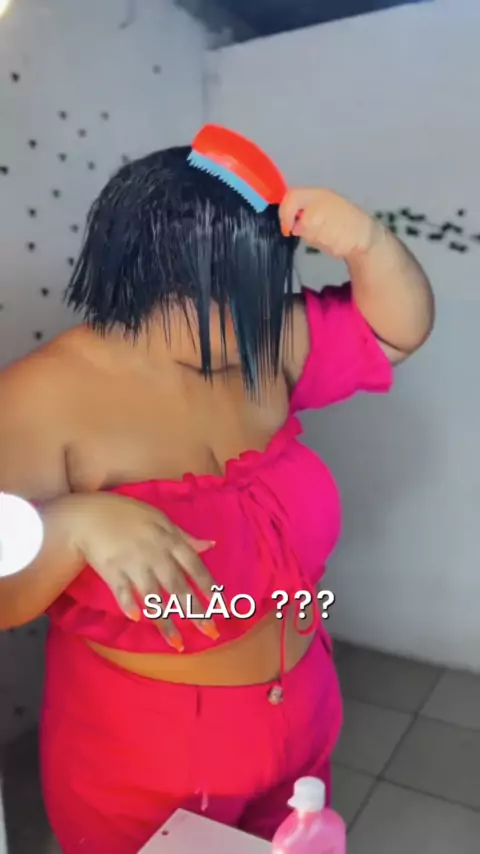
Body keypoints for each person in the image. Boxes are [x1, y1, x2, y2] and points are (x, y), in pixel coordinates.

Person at [0, 145, 434, 854]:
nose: (249, 324)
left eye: (259, 295)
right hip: (142, 758)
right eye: (223, 300)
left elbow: (396, 330)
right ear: (139, 277)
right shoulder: (36, 399)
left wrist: (368, 243)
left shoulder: (258, 342)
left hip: (301, 723)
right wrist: (73, 524)